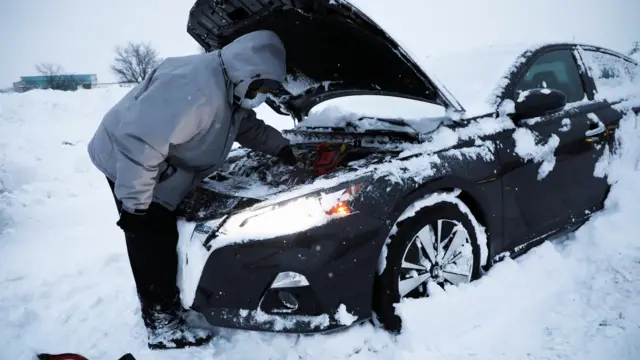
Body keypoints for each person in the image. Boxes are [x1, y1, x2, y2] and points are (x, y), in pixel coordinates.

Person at [87, 30, 297, 350]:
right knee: (152, 240)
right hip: (128, 161)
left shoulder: (231, 83)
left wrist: (281, 147)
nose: (262, 94)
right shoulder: (193, 88)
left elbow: (243, 124)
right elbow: (139, 144)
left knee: (165, 231)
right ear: (249, 72)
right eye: (262, 86)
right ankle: (162, 325)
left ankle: (174, 295)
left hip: (163, 161)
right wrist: (135, 208)